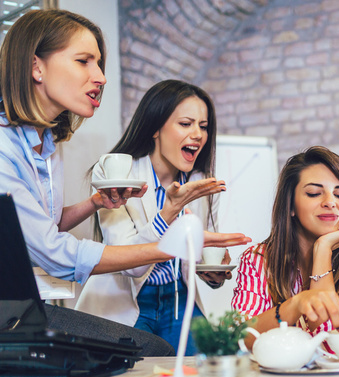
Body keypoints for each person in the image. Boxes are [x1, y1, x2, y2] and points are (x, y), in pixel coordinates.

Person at [0, 10, 247, 355]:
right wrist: (169, 243)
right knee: (151, 355)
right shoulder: (6, 149)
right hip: (18, 309)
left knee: (216, 358)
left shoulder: (47, 144)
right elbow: (54, 253)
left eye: (99, 64)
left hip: (174, 300)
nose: (100, 76)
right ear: (36, 67)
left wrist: (94, 203)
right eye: (84, 61)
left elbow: (42, 226)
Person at [75, 80, 240, 355]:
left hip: (179, 297)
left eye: (203, 126)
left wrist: (212, 272)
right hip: (126, 300)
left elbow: (198, 252)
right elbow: (132, 265)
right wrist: (169, 212)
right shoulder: (117, 177)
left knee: (202, 372)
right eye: (186, 124)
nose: (198, 134)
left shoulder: (201, 182)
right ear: (155, 129)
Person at [232, 146, 339, 343]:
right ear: (290, 206)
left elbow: (333, 348)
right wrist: (294, 306)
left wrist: (323, 250)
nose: (330, 202)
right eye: (314, 193)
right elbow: (238, 339)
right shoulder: (258, 259)